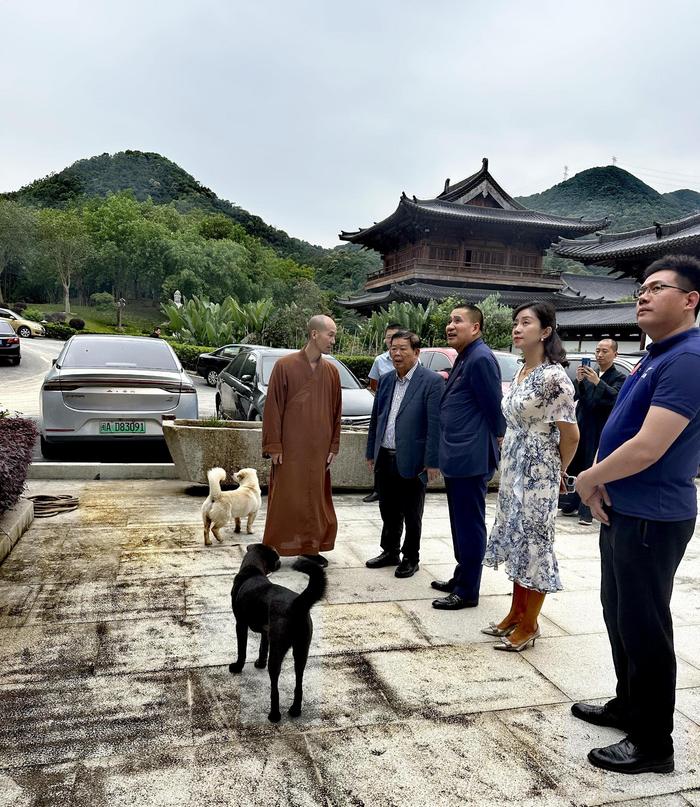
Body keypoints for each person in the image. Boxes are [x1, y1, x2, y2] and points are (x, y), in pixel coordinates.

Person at [573, 254, 700, 775]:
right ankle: (629, 704)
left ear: (691, 299)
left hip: (654, 515)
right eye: (640, 289)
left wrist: (590, 476)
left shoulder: (688, 359)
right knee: (618, 612)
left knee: (646, 626)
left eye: (657, 287)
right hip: (624, 508)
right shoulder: (655, 355)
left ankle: (653, 743)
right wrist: (604, 483)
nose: (643, 295)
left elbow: (649, 447)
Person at [483, 302, 579, 650]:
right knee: (516, 536)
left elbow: (571, 435)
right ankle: (514, 613)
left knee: (535, 543)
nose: (517, 328)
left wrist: (559, 472)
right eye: (515, 322)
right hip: (514, 464)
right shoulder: (523, 371)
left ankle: (531, 623)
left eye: (526, 322)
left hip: (539, 469)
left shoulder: (554, 377)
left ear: (546, 331)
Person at [432, 304, 505, 610]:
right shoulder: (466, 356)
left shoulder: (481, 358)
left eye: (457, 321)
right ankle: (462, 575)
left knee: (469, 524)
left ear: (475, 328)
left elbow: (495, 410)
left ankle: (468, 590)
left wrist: (497, 443)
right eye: (449, 321)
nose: (450, 325)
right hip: (458, 454)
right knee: (459, 523)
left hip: (470, 456)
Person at [262, 315, 342, 567]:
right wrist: (273, 445)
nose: (333, 340)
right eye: (330, 334)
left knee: (314, 499)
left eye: (334, 335)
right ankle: (273, 550)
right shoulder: (284, 366)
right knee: (285, 498)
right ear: (314, 334)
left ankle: (310, 549)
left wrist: (333, 446)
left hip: (319, 450)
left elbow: (336, 412)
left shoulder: (331, 371)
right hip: (290, 448)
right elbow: (272, 408)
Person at [365, 330, 443, 577]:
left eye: (403, 349)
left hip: (414, 459)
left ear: (416, 352)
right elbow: (376, 420)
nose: (396, 354)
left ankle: (411, 556)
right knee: (388, 508)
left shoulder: (431, 381)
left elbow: (435, 425)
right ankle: (390, 551)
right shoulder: (387, 379)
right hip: (385, 455)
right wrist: (371, 452)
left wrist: (432, 462)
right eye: (393, 349)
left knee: (412, 512)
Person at [560, 339, 626, 525]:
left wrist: (598, 382)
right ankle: (570, 503)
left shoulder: (619, 377)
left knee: (592, 465)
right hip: (582, 424)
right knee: (576, 463)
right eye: (597, 351)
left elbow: (616, 398)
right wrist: (580, 381)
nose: (600, 354)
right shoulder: (590, 373)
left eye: (605, 351)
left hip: (601, 426)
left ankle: (587, 511)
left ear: (615, 354)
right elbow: (576, 396)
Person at [363, 322, 403, 503]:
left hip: (404, 411)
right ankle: (377, 489)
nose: (391, 341)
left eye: (395, 337)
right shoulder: (380, 360)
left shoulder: (413, 358)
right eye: (388, 337)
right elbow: (374, 384)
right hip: (384, 410)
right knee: (380, 450)